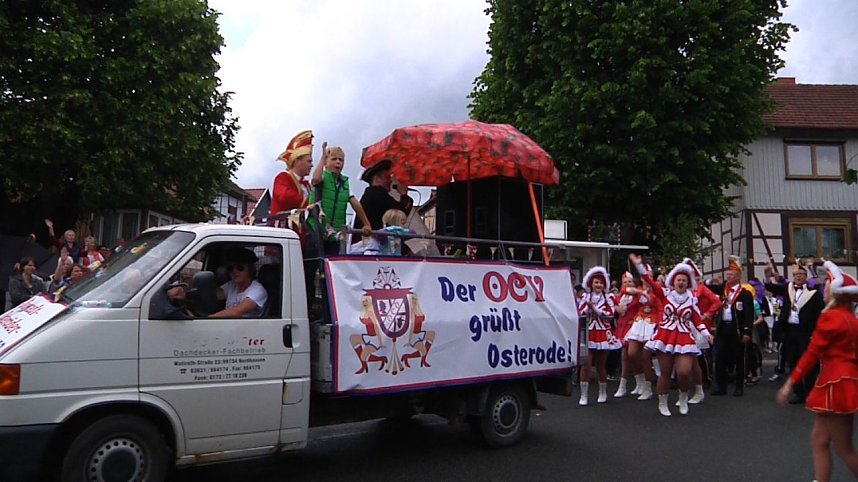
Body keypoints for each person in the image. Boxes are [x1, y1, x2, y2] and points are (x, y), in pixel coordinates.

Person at [777, 260, 858, 482]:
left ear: (836, 292)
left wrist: (790, 382)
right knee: (821, 440)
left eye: (828, 284)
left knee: (842, 448)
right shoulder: (851, 319)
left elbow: (812, 353)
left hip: (835, 383)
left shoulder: (831, 317)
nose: (824, 288)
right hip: (846, 383)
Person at [630, 253, 713, 417]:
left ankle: (683, 398)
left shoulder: (691, 300)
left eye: (684, 280)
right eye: (678, 279)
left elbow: (697, 320)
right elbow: (651, 283)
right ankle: (662, 402)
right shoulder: (665, 294)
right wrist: (640, 266)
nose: (681, 282)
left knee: (683, 372)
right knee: (665, 373)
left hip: (684, 338)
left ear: (688, 283)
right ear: (673, 281)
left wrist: (707, 334)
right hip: (665, 336)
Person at [766, 259, 825, 404]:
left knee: (808, 363)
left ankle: (810, 392)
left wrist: (816, 333)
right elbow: (773, 288)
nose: (798, 276)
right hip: (790, 331)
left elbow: (820, 314)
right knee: (793, 361)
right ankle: (798, 392)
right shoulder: (789, 289)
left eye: (801, 274)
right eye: (796, 274)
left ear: (805, 277)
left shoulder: (814, 294)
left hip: (805, 331)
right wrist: (768, 276)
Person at [706, 255, 755, 397]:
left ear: (738, 276)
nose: (729, 276)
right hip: (723, 327)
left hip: (737, 328)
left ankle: (739, 386)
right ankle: (721, 387)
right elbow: (709, 287)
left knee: (739, 358)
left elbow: (749, 315)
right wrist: (710, 280)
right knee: (720, 357)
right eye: (728, 274)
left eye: (732, 274)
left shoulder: (745, 293)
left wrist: (747, 331)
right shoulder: (723, 289)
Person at [310, 143, 372, 254]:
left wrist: (366, 223)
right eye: (334, 159)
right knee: (316, 263)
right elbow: (315, 179)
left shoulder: (344, 183)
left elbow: (355, 204)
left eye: (341, 160)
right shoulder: (323, 176)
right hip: (317, 229)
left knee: (332, 262)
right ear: (326, 162)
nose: (338, 162)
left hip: (336, 232)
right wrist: (322, 158)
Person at [577, 266, 621, 406]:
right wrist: (588, 309)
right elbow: (580, 312)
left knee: (601, 365)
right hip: (589, 332)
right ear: (591, 283)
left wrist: (594, 308)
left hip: (603, 333)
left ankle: (602, 392)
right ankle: (583, 395)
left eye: (601, 283)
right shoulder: (585, 297)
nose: (599, 285)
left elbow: (610, 314)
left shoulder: (609, 298)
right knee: (586, 365)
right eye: (596, 282)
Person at [622, 267, 662, 401]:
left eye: (649, 276)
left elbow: (661, 309)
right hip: (638, 323)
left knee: (646, 357)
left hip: (651, 324)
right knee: (632, 353)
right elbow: (624, 290)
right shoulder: (639, 290)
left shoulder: (658, 293)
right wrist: (637, 290)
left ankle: (648, 387)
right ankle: (639, 381)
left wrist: (659, 325)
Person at [354, 160, 411, 239]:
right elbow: (399, 213)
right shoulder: (377, 193)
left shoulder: (371, 193)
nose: (390, 181)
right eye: (387, 178)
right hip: (373, 242)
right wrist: (404, 194)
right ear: (377, 178)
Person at [271, 130, 314, 230]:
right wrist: (308, 204)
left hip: (303, 236)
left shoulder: (307, 185)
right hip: (283, 235)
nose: (312, 165)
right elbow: (284, 197)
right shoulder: (282, 177)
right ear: (297, 161)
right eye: (309, 161)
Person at [210, 248, 267, 319]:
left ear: (250, 269)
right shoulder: (232, 285)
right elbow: (213, 295)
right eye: (230, 268)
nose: (234, 271)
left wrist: (206, 319)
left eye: (240, 267)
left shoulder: (257, 290)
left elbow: (237, 312)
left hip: (247, 329)